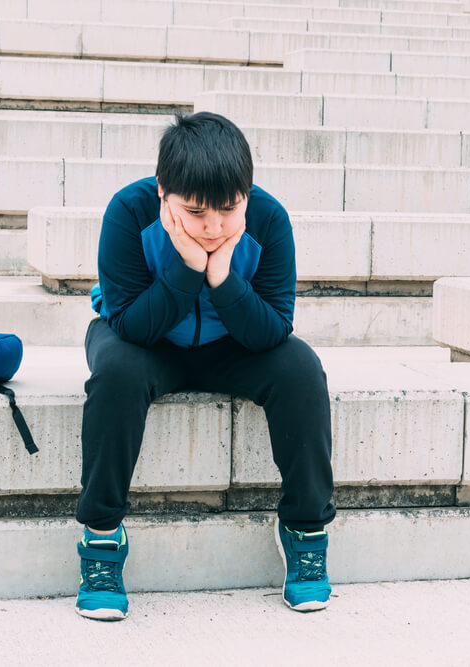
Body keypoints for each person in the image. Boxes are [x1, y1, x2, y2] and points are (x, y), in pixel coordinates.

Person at [73, 112, 335, 621]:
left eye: (228, 210)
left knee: (302, 370)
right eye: (195, 213)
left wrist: (221, 276)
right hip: (142, 338)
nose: (214, 227)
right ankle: (102, 539)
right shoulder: (128, 213)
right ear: (163, 193)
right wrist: (188, 264)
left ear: (247, 193)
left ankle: (305, 529)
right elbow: (129, 324)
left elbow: (272, 329)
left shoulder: (268, 219)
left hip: (234, 344)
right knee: (117, 375)